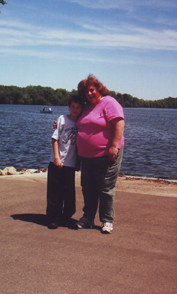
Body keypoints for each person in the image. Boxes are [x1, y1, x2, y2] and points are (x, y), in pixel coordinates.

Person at [76, 75, 125, 234]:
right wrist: (60, 123)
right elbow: (75, 119)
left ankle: (107, 220)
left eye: (91, 90)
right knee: (88, 188)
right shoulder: (86, 106)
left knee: (105, 188)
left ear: (98, 89)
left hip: (107, 154)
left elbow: (119, 123)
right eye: (86, 92)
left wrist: (114, 146)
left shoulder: (109, 102)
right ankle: (88, 218)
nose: (89, 94)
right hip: (87, 157)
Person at [46, 94, 84, 229]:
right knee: (54, 192)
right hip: (57, 162)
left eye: (78, 107)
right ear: (69, 107)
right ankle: (53, 218)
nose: (75, 109)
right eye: (73, 107)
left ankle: (66, 217)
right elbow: (54, 139)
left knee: (69, 193)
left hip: (71, 164)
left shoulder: (81, 123)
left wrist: (78, 162)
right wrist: (56, 157)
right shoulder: (62, 119)